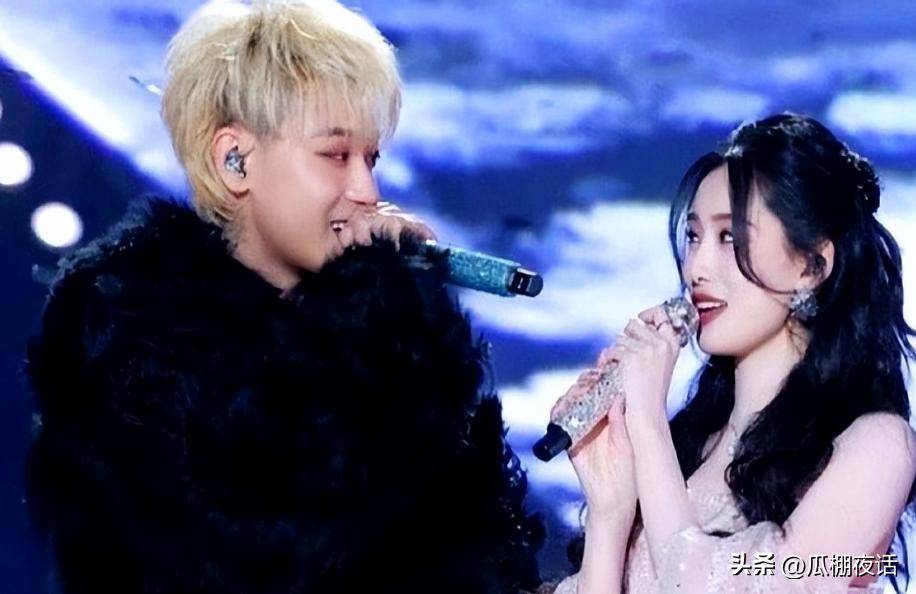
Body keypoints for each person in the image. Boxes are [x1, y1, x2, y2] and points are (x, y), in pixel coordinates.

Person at [24, 1, 543, 593]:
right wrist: (387, 313)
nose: (367, 189)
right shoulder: (123, 335)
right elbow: (274, 528)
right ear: (235, 160)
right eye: (336, 155)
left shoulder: (383, 346)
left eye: (371, 158)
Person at [550, 114, 916, 593]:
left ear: (812, 266)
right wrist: (610, 513)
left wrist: (647, 425)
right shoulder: (688, 448)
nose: (696, 267)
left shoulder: (876, 446)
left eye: (730, 238)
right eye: (693, 237)